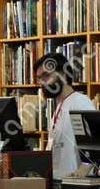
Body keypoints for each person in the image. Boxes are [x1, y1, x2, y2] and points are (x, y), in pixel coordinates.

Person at [38, 52, 96, 180]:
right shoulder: (59, 106)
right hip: (59, 181)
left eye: (46, 76)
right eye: (39, 78)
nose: (42, 82)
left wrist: (82, 171)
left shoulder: (80, 102)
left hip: (76, 185)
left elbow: (96, 145)